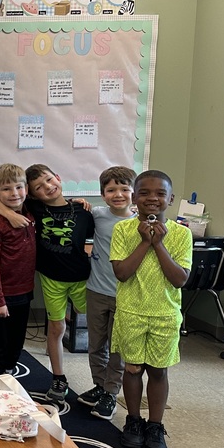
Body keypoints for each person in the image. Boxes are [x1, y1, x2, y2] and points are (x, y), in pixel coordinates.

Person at [0, 163, 94, 403]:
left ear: (58, 177)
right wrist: (10, 214)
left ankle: (102, 383)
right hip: (51, 280)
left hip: (82, 279)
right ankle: (59, 377)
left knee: (98, 330)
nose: (47, 187)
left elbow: (93, 240)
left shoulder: (84, 211)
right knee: (57, 329)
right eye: (39, 186)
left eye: (49, 180)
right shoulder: (34, 209)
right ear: (32, 192)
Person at [111, 171, 191, 448]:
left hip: (165, 315)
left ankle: (155, 426)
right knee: (132, 368)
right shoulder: (123, 230)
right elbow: (121, 273)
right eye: (144, 193)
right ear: (134, 198)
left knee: (158, 371)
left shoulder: (182, 234)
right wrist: (144, 241)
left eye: (160, 194)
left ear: (170, 199)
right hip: (132, 311)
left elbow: (179, 279)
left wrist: (158, 243)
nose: (152, 199)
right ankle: (133, 420)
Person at [77, 166, 136, 421]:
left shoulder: (138, 223)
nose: (118, 194)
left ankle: (112, 392)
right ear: (102, 194)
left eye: (124, 189)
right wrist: (79, 202)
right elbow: (79, 211)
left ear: (134, 193)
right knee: (96, 344)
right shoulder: (98, 215)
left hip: (125, 294)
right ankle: (100, 385)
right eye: (111, 190)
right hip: (96, 290)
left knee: (117, 348)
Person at [0, 164, 35, 384]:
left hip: (25, 291)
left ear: (26, 189)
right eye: (6, 189)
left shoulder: (31, 213)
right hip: (2, 295)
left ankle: (9, 371)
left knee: (16, 340)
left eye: (18, 187)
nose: (14, 193)